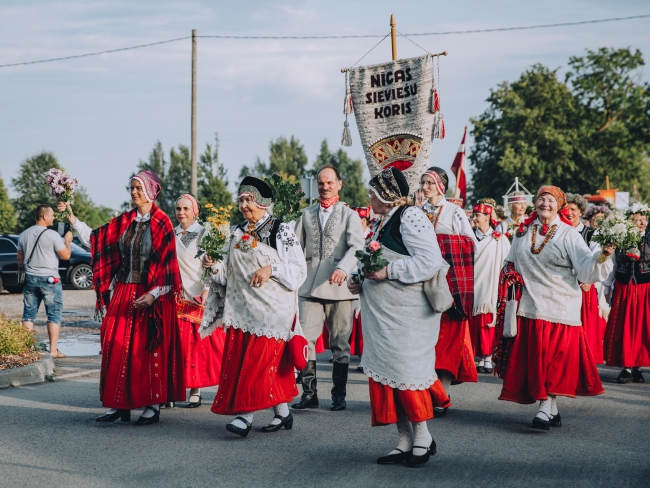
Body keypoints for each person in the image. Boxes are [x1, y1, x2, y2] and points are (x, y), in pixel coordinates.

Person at [58, 171, 185, 425]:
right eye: (132, 188)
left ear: (150, 190)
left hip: (151, 295)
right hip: (124, 291)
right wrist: (72, 217)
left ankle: (152, 405)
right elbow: (97, 239)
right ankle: (119, 404)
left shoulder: (162, 223)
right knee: (115, 345)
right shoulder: (126, 220)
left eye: (138, 188)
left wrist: (153, 294)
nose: (133, 192)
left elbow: (168, 267)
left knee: (146, 349)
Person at [347, 167, 449, 467]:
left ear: (387, 194)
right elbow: (372, 260)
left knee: (407, 375)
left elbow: (429, 261)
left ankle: (423, 437)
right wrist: (358, 278)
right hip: (384, 321)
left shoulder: (411, 216)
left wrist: (388, 272)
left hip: (407, 318)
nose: (369, 196)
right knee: (391, 378)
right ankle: (404, 440)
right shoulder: (383, 222)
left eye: (373, 191)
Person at [496, 186, 614, 430]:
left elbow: (585, 267)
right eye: (541, 199)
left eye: (550, 200)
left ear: (559, 206)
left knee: (554, 362)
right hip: (530, 306)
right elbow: (510, 261)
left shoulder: (568, 235)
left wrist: (602, 256)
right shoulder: (522, 232)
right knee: (538, 361)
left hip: (561, 307)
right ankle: (552, 409)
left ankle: (544, 407)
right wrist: (509, 274)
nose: (545, 204)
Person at [199, 176, 307, 437]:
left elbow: (298, 270)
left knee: (256, 366)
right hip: (243, 312)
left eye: (249, 200)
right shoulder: (236, 232)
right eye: (241, 200)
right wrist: (212, 266)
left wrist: (272, 268)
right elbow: (229, 275)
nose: (244, 205)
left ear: (263, 203)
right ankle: (283, 414)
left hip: (271, 313)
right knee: (257, 366)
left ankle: (244, 417)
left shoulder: (281, 230)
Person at [292, 166, 364, 411]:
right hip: (309, 287)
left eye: (329, 183)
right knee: (306, 340)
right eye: (321, 183)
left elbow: (357, 247)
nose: (324, 187)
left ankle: (339, 396)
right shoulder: (305, 214)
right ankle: (309, 394)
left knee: (340, 343)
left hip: (339, 287)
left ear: (339, 184)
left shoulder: (349, 215)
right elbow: (294, 248)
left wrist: (343, 269)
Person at [419, 167, 478, 415]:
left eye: (429, 183)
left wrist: (440, 243)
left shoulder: (454, 212)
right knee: (424, 342)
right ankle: (427, 391)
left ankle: (441, 392)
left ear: (441, 185)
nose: (424, 187)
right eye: (422, 183)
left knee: (447, 341)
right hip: (422, 284)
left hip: (450, 285)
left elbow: (471, 243)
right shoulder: (417, 212)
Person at [173, 194, 225, 408]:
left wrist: (206, 291)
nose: (181, 213)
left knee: (196, 345)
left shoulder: (206, 233)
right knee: (176, 345)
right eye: (178, 209)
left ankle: (196, 388)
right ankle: (174, 389)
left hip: (197, 294)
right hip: (176, 294)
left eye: (186, 208)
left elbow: (214, 265)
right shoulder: (171, 233)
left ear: (195, 211)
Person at [18, 205, 73, 359]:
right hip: (50, 279)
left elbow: (20, 260)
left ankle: (26, 350)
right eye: (52, 215)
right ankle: (53, 351)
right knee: (54, 315)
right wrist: (67, 241)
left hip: (30, 277)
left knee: (28, 315)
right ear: (44, 217)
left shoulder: (23, 235)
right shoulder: (52, 235)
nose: (54, 217)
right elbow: (66, 255)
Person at [603, 203, 650, 384]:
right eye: (636, 219)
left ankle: (638, 367)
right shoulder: (620, 238)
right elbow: (612, 265)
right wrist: (606, 289)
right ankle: (626, 367)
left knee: (641, 327)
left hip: (644, 288)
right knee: (625, 327)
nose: (640, 222)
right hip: (624, 288)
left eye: (643, 219)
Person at [470, 198, 511, 374]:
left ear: (488, 217)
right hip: (472, 284)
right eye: (474, 214)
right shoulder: (469, 236)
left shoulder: (499, 239)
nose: (474, 218)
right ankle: (476, 357)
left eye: (478, 215)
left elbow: (507, 260)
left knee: (486, 321)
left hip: (490, 283)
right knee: (472, 321)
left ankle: (487, 357)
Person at [565, 193, 606, 364]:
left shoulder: (591, 234)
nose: (569, 213)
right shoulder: (559, 231)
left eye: (573, 209)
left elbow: (598, 258)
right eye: (566, 209)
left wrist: (590, 280)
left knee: (585, 330)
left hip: (584, 287)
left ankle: (584, 365)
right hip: (564, 287)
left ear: (581, 211)